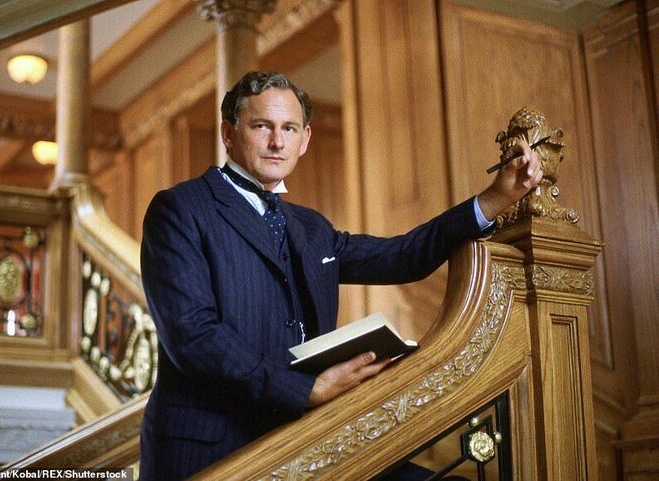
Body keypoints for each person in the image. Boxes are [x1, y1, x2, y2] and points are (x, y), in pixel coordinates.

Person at [138, 71, 542, 480]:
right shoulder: (180, 209)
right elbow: (193, 336)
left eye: (289, 129)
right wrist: (306, 390)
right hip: (213, 448)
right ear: (228, 133)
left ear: (305, 139)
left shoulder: (312, 228)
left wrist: (493, 200)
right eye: (262, 127)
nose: (278, 142)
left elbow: (402, 257)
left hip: (305, 437)